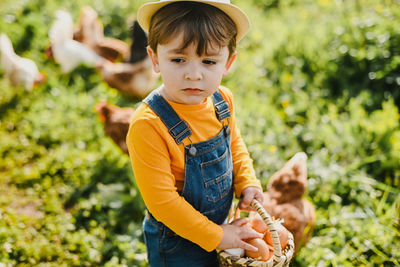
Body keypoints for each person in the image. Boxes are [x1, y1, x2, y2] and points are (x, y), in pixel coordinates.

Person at [126, 0, 264, 266]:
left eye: (209, 61)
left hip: (222, 228)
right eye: (178, 59)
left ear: (228, 62)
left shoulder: (223, 101)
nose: (193, 74)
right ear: (155, 59)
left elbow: (234, 144)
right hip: (177, 244)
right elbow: (163, 203)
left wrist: (247, 181)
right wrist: (217, 235)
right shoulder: (149, 124)